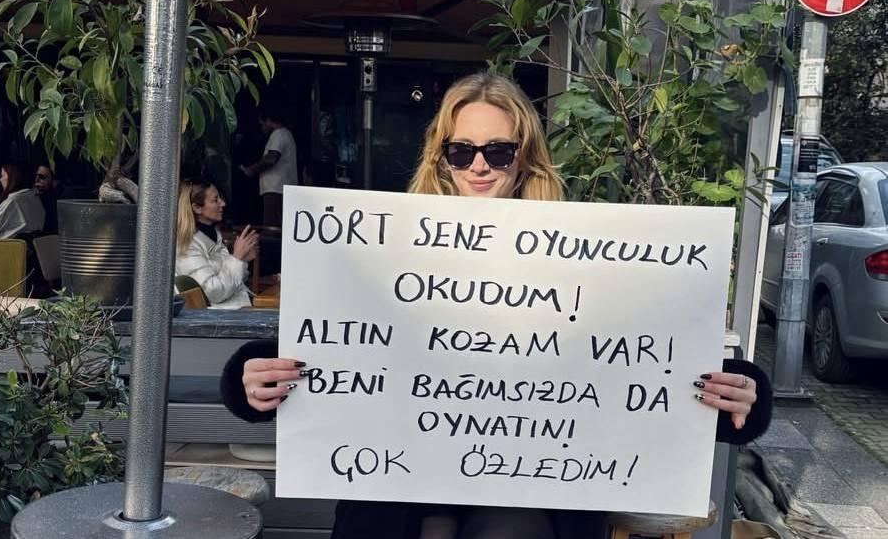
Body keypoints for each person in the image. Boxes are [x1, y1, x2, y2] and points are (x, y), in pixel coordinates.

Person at [220, 74, 774, 539]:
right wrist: (253, 378)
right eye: (461, 150)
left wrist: (742, 394)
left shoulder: (590, 251)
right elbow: (336, 345)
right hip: (400, 490)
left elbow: (640, 363)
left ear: (525, 158)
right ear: (442, 158)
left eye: (498, 151)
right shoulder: (383, 245)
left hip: (538, 488)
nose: (479, 166)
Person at [175, 178, 260, 310]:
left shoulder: (213, 234)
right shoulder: (187, 245)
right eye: (215, 200)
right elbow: (214, 292)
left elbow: (231, 282)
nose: (223, 203)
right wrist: (237, 258)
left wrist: (243, 259)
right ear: (197, 208)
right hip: (220, 317)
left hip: (237, 307)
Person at [240, 104, 298, 227]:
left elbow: (271, 159)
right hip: (281, 189)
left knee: (272, 228)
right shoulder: (286, 134)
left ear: (269, 120)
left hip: (276, 189)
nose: (262, 128)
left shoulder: (278, 134)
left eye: (262, 124)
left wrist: (251, 169)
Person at [33, 163, 63, 233]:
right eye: (36, 176)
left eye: (42, 177)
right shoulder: (34, 195)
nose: (36, 180)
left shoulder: (61, 197)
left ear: (55, 181)